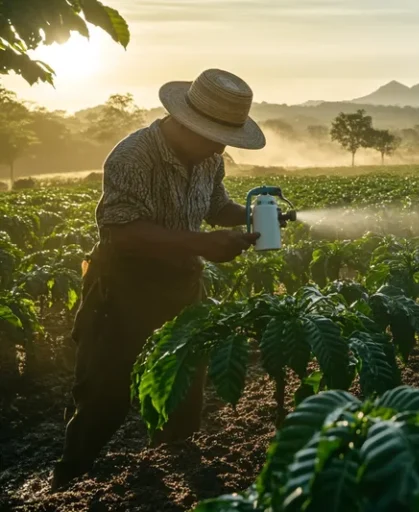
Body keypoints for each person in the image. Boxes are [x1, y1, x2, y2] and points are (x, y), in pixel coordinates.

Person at [51, 68, 266, 491]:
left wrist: (257, 215)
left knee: (183, 391)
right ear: (185, 122)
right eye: (214, 135)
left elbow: (215, 206)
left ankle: (162, 482)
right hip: (122, 289)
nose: (221, 146)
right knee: (104, 397)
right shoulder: (133, 157)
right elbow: (123, 231)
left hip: (183, 286)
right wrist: (204, 245)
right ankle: (68, 484)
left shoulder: (208, 158)